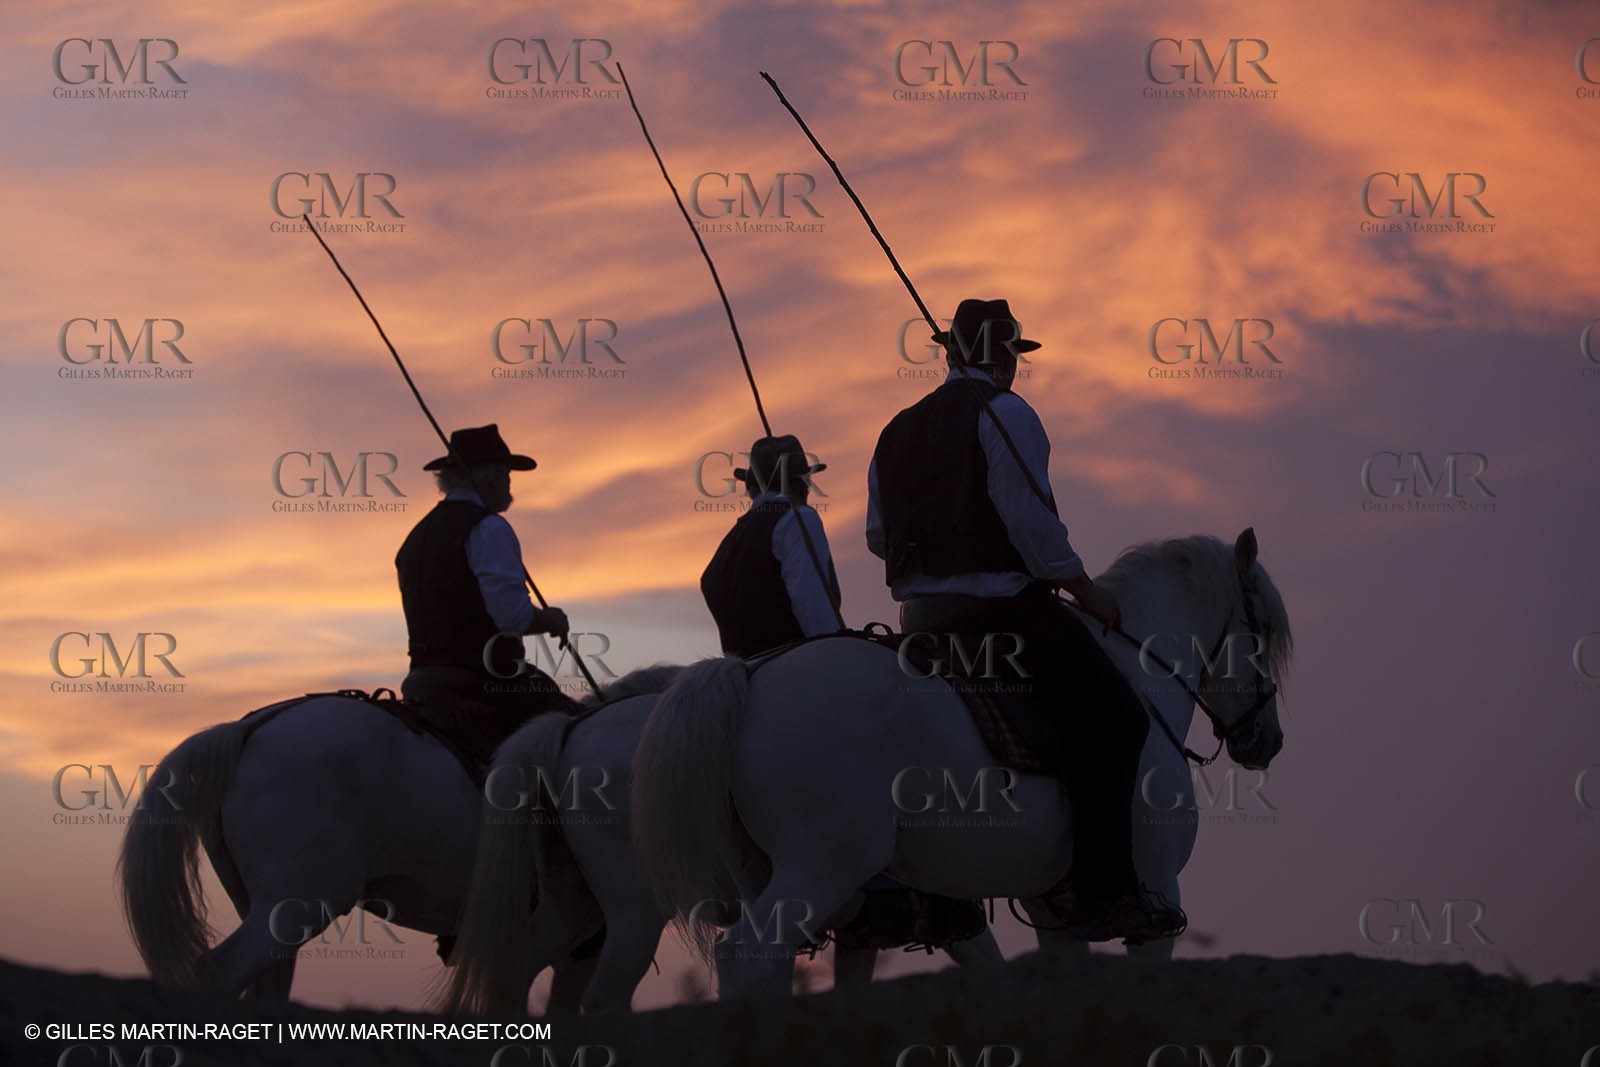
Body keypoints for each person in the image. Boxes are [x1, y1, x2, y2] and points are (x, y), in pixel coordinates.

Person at [866, 298, 1186, 943]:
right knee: (1117, 723)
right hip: (1000, 619)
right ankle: (1103, 895)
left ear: (951, 352)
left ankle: (928, 895)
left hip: (920, 622)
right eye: (1014, 354)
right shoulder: (1008, 414)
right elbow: (1031, 524)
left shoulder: (895, 428)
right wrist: (1083, 588)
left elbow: (878, 537)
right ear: (1005, 356)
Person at [395, 424, 578, 770]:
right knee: (576, 741)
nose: (510, 482)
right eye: (507, 473)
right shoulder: (488, 527)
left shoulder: (415, 537)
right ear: (490, 477)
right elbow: (513, 619)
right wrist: (550, 618)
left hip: (423, 684)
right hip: (486, 684)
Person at [700, 434, 843, 657]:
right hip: (797, 664)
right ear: (800, 483)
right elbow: (813, 603)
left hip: (745, 673)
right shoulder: (798, 519)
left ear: (750, 487)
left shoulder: (730, 542)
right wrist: (837, 654)